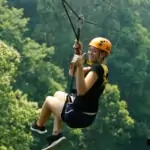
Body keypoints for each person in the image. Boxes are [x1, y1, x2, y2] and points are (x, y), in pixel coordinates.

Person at [30, 37, 112, 150]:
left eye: (94, 51)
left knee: (49, 100)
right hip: (87, 115)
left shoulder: (97, 69)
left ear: (102, 54)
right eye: (89, 50)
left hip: (78, 115)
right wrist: (77, 54)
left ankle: (39, 126)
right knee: (58, 94)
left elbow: (81, 91)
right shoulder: (102, 68)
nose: (89, 53)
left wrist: (79, 66)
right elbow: (72, 72)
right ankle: (56, 134)